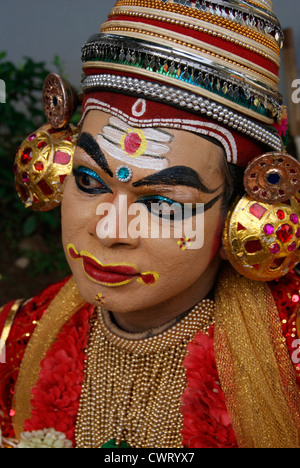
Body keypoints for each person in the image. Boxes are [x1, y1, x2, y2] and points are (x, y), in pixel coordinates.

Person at [1, 0, 300, 449]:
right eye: (88, 180)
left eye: (162, 203)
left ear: (242, 216)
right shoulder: (14, 344)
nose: (109, 230)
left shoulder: (290, 363)